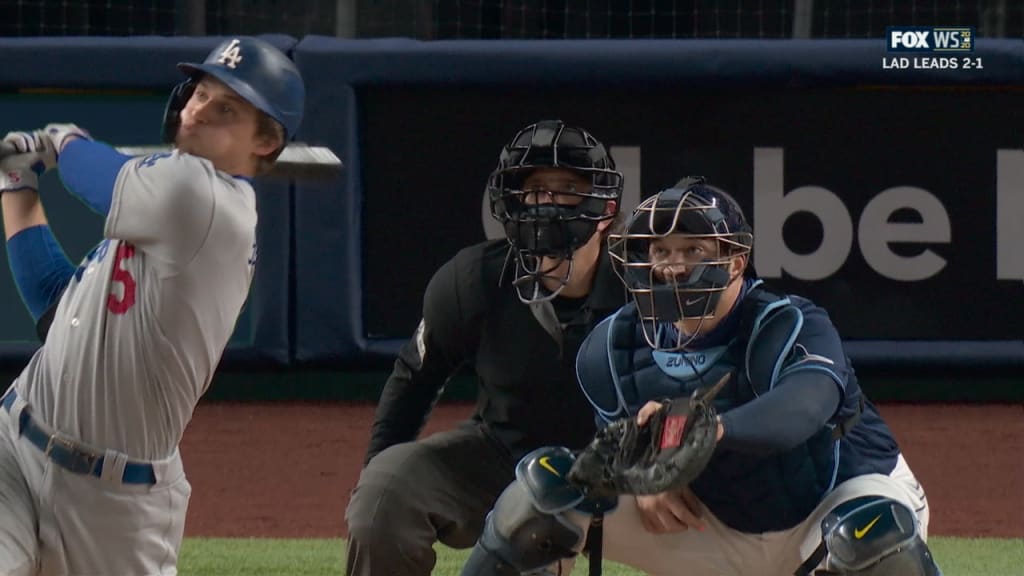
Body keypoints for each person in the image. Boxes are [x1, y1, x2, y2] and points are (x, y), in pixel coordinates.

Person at [462, 177, 942, 576]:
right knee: (542, 496)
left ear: (735, 262)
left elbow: (804, 408)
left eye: (692, 249)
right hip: (714, 525)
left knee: (875, 541)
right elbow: (631, 452)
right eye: (661, 251)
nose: (673, 266)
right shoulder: (610, 349)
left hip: (830, 505)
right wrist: (642, 480)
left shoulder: (788, 323)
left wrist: (712, 427)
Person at [0, 36, 304, 575]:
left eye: (227, 107)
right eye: (202, 91)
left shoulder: (204, 202)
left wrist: (61, 139)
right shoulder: (164, 205)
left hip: (115, 508)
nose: (200, 108)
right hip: (12, 449)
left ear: (266, 140)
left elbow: (96, 176)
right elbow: (54, 305)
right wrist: (17, 180)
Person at [344, 119, 627, 576]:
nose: (548, 203)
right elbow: (416, 377)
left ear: (605, 208)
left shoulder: (643, 287)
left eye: (567, 188)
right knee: (385, 491)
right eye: (537, 190)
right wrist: (374, 472)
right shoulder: (474, 279)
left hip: (616, 473)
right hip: (499, 455)